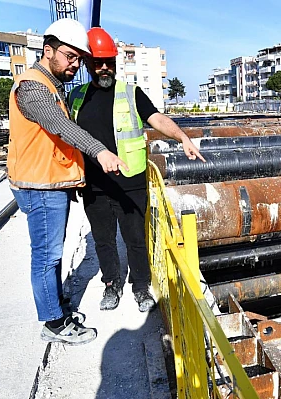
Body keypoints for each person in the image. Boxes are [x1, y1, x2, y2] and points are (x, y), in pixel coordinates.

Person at [8, 19, 128, 345]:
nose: (76, 64)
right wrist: (100, 151)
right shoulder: (32, 87)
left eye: (78, 58)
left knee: (52, 255)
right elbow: (61, 126)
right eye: (70, 56)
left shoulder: (48, 85)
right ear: (48, 51)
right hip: (39, 185)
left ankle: (55, 307)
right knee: (46, 257)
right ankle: (55, 324)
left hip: (47, 183)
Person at [68, 27, 205, 312]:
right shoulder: (76, 96)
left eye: (109, 63)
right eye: (98, 63)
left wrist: (182, 138)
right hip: (94, 185)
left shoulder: (131, 93)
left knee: (136, 240)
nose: (104, 68)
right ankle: (111, 284)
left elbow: (157, 118)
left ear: (116, 64)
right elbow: (65, 135)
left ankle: (141, 288)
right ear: (88, 63)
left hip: (130, 181)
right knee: (103, 241)